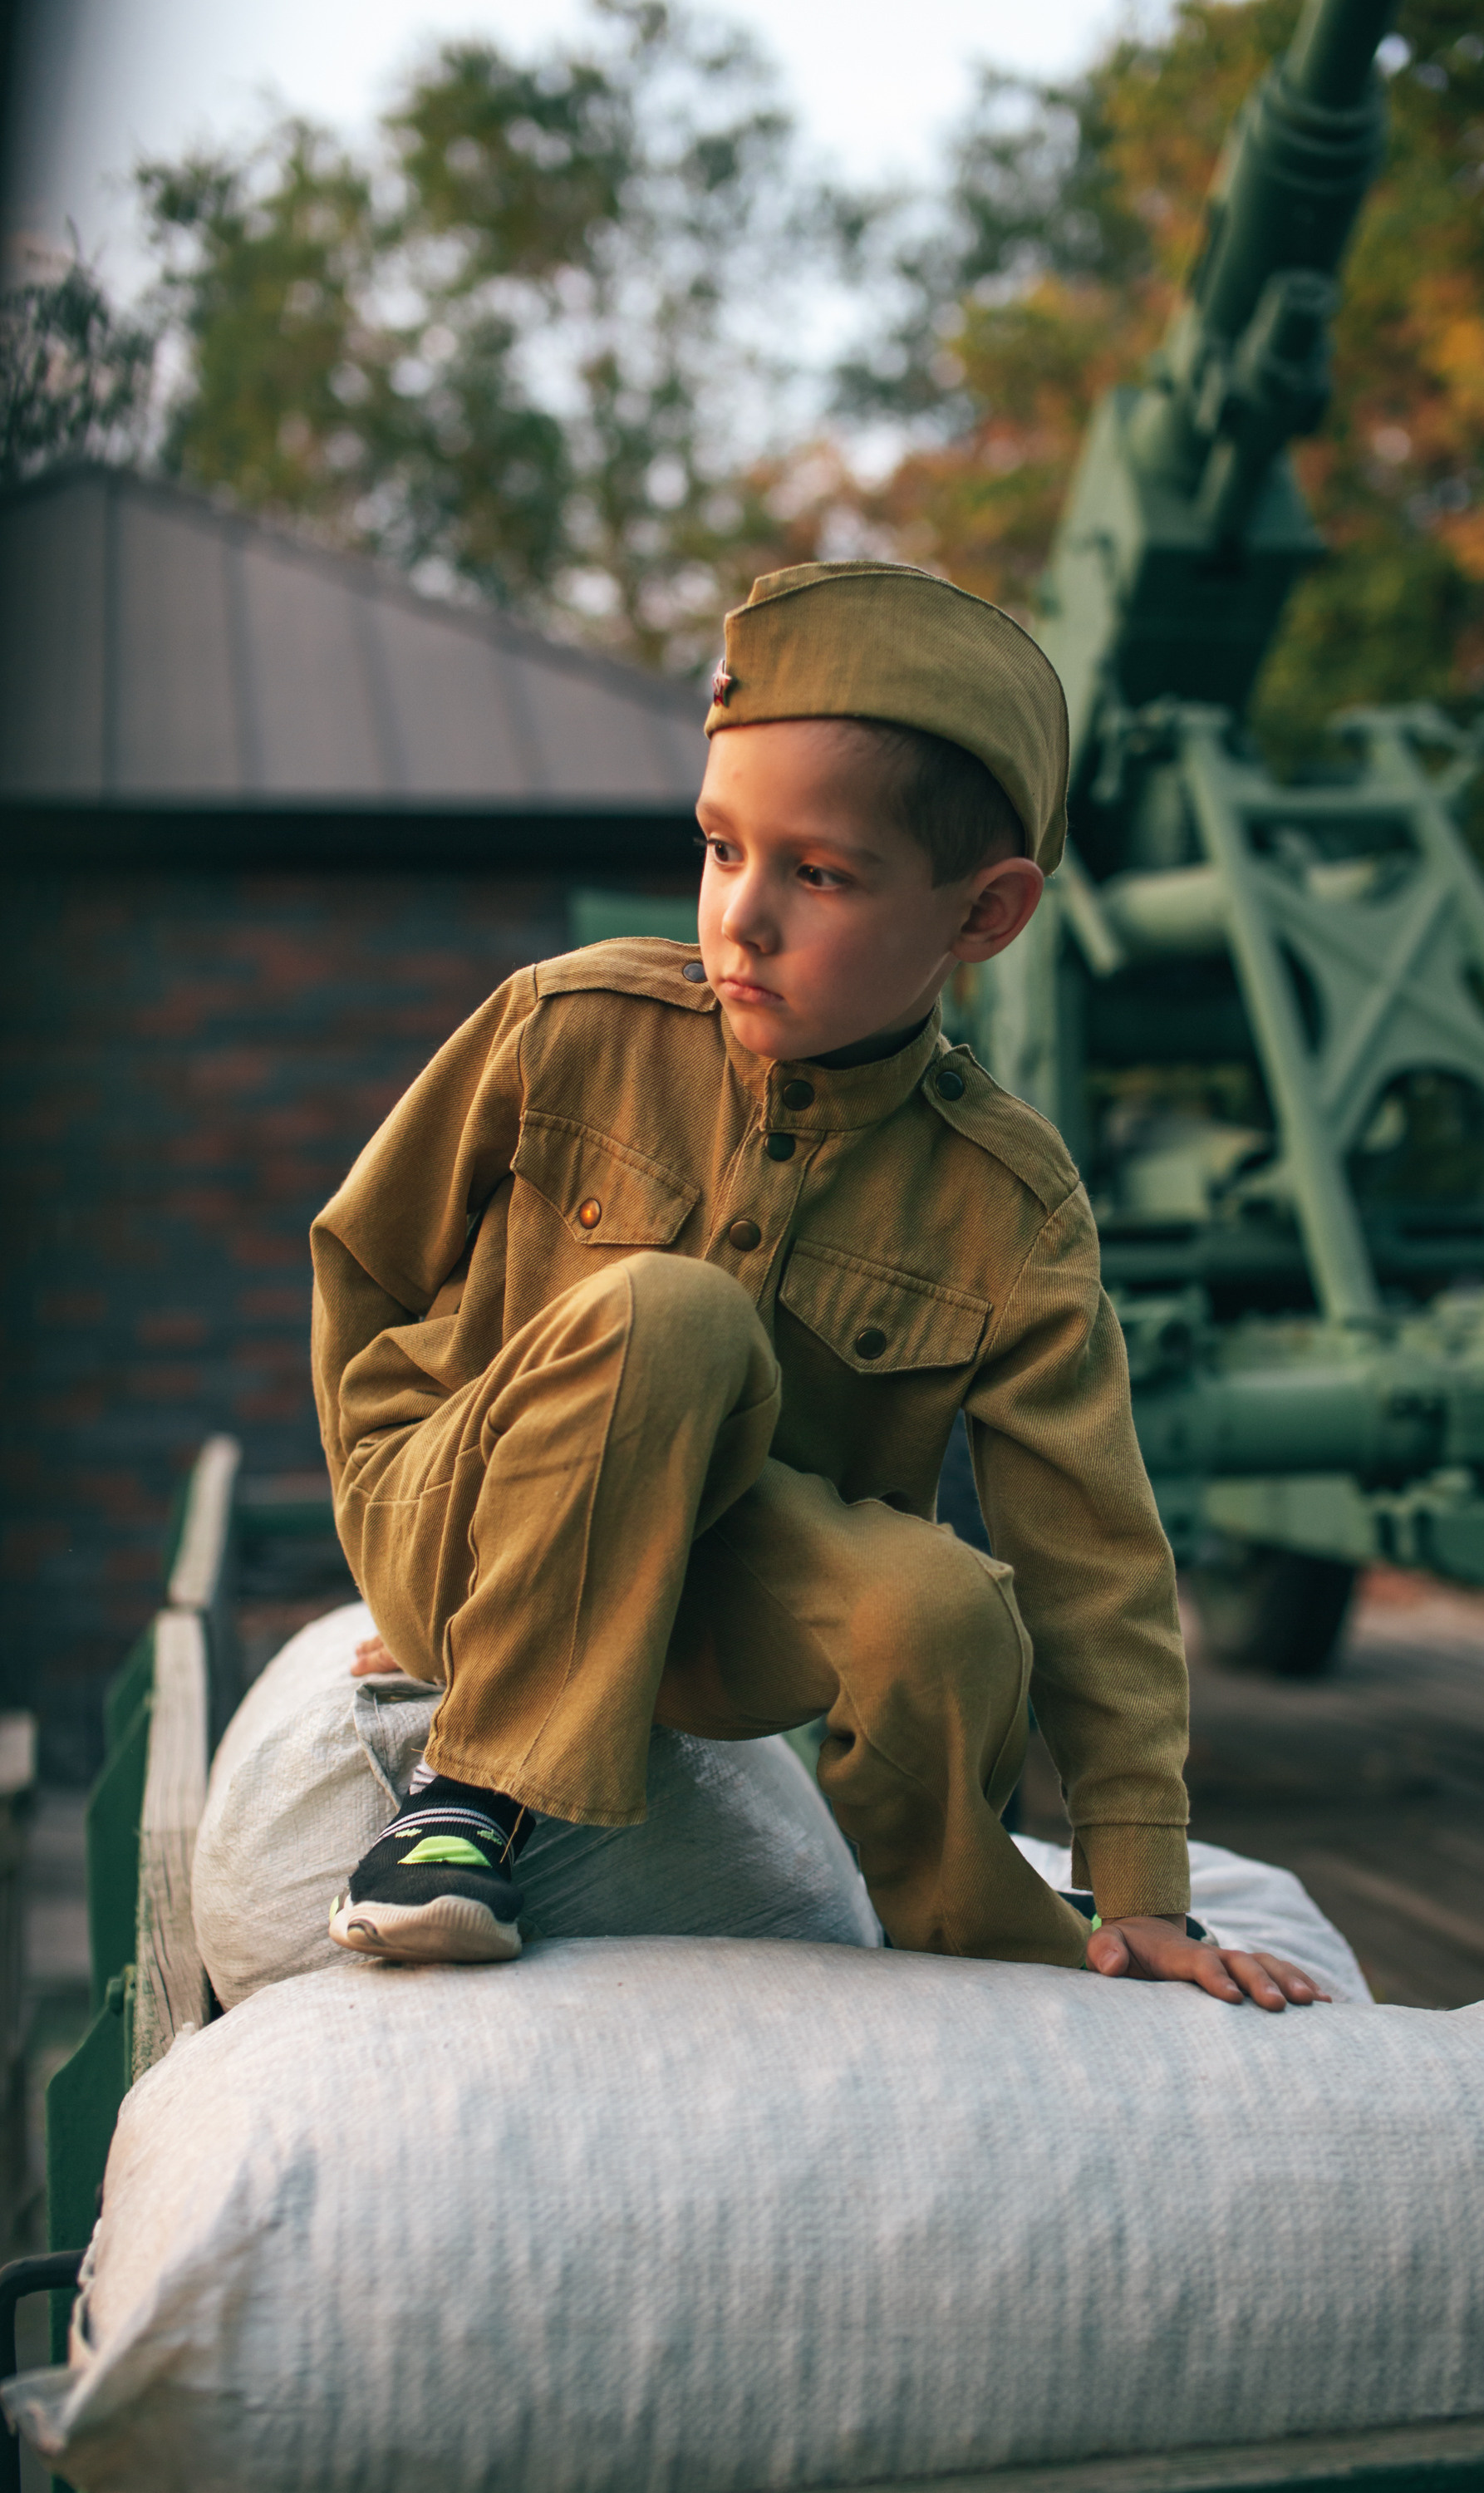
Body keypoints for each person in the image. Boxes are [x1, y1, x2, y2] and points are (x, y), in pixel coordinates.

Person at [312, 558, 1324, 2011]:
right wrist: (401, 1537)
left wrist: (1148, 1883)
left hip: (718, 1607)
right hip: (466, 1518)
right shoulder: (566, 1025)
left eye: (820, 874)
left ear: (982, 918)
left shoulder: (1007, 1202)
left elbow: (1093, 1558)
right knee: (676, 1309)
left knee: (949, 1606)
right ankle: (469, 1805)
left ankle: (993, 1964)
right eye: (723, 851)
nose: (745, 916)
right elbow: (364, 1260)